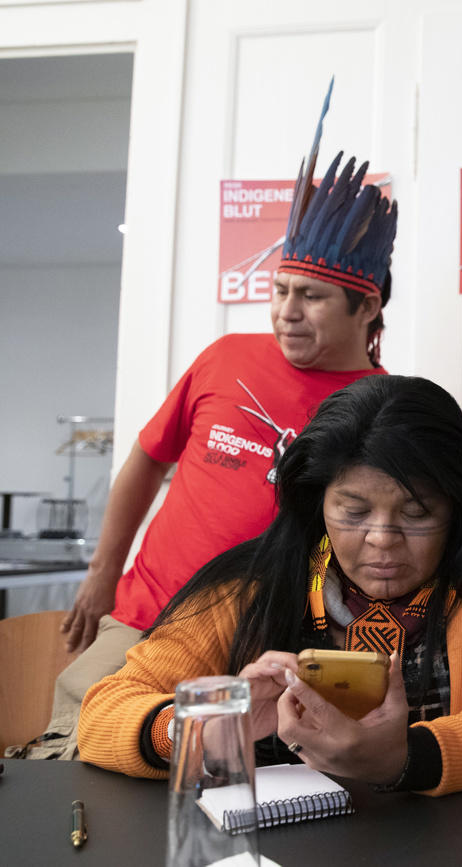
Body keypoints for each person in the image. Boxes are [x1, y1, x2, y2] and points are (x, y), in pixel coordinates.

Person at [13, 83, 397, 760]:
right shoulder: (225, 358)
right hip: (143, 619)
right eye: (280, 290)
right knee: (73, 760)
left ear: (365, 307)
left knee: (225, 791)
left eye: (310, 297)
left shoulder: (382, 407)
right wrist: (105, 570)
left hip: (262, 645)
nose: (286, 311)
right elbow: (145, 461)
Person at [79, 375, 462, 795]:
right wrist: (205, 732)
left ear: (456, 508)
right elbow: (103, 715)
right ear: (317, 503)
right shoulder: (255, 582)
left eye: (417, 512)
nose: (383, 539)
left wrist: (402, 761)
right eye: (354, 511)